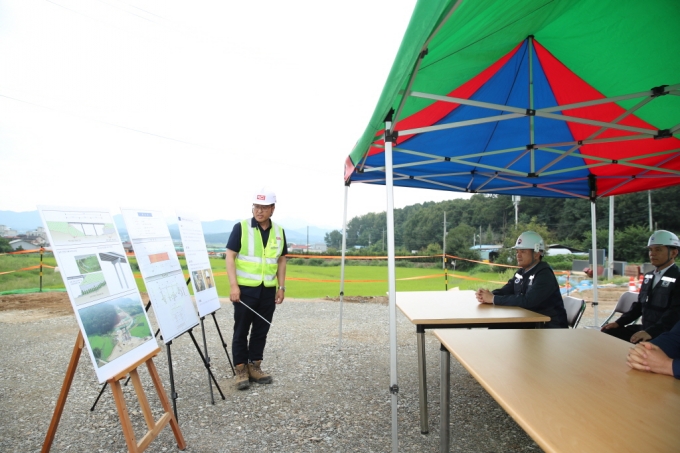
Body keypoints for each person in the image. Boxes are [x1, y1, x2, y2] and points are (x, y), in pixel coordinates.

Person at [225, 188, 287, 390]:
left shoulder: (279, 232)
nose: (259, 211)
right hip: (245, 290)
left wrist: (281, 287)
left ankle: (255, 366)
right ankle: (241, 369)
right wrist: (234, 286)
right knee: (241, 330)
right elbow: (230, 256)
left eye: (264, 207)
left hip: (268, 290)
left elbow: (281, 260)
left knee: (261, 330)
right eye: (256, 207)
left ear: (272, 209)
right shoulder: (241, 228)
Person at [475, 231, 568, 328]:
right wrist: (488, 295)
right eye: (517, 251)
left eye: (523, 251)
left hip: (549, 328)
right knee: (496, 326)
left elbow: (528, 301)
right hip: (531, 322)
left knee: (498, 328)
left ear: (536, 254)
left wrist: (493, 299)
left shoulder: (544, 275)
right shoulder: (521, 272)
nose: (518, 255)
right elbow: (507, 290)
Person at [601, 230, 680, 343]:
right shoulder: (649, 277)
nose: (652, 254)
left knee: (641, 348)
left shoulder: (678, 278)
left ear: (673, 253)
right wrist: (619, 322)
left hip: (667, 333)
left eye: (658, 249)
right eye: (650, 250)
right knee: (609, 333)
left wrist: (651, 332)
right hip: (646, 329)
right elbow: (639, 306)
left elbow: (675, 313)